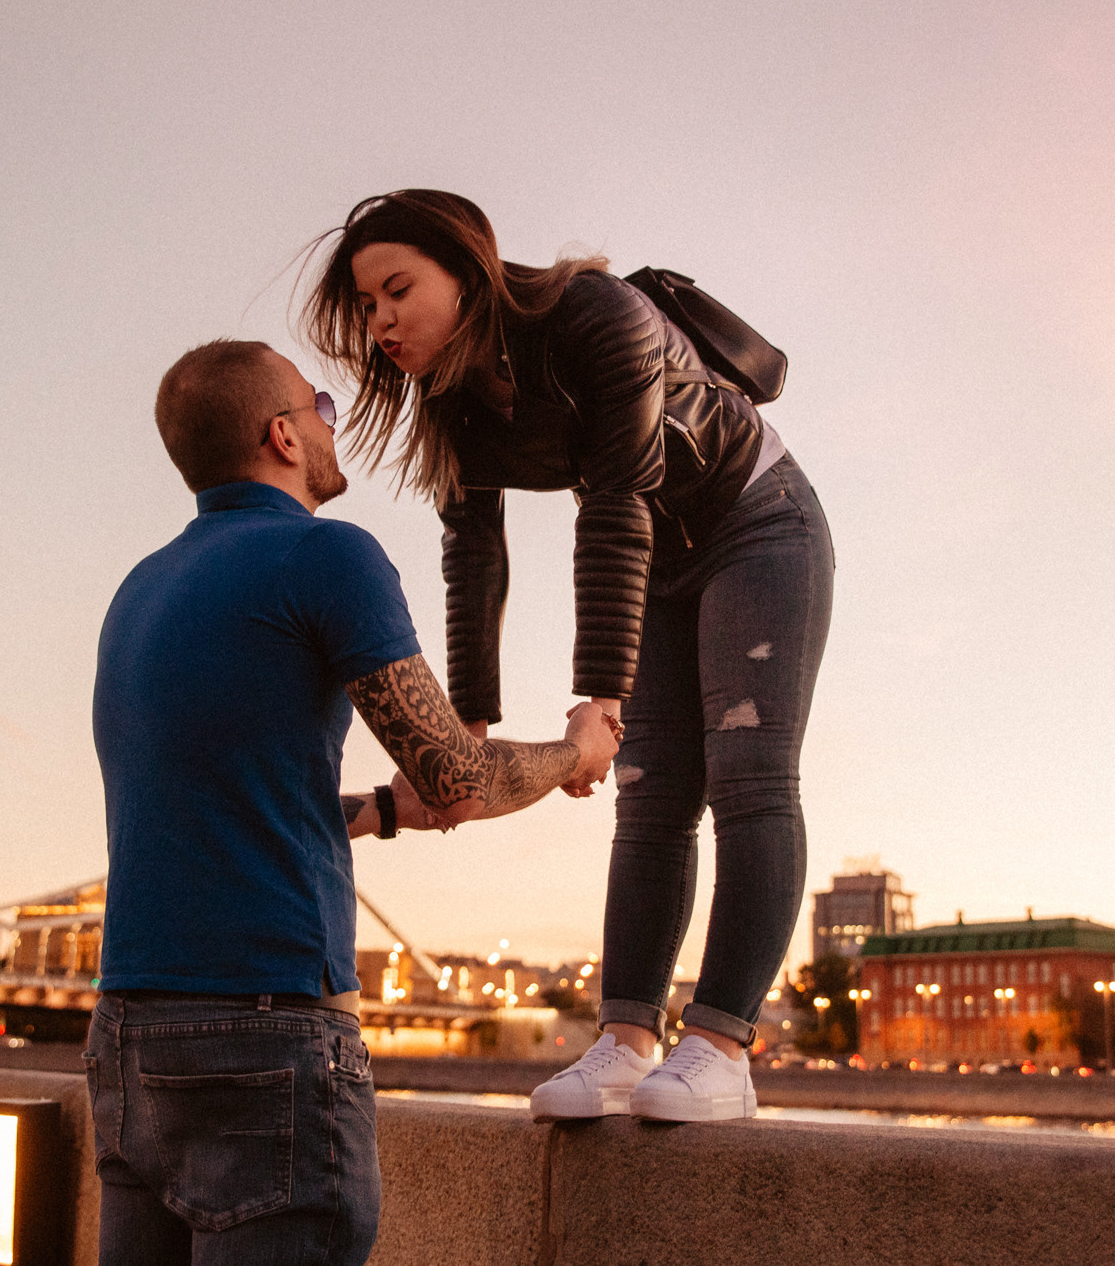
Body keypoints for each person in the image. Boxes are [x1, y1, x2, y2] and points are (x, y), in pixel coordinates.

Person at [88, 338, 619, 1264]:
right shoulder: (327, 555)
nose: (334, 426)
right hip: (268, 1032)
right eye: (320, 409)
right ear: (283, 435)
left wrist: (379, 805)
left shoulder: (139, 589)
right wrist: (577, 746)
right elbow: (459, 771)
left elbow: (222, 802)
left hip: (129, 1035)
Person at [306, 191, 834, 1123]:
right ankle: (627, 1043)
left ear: (468, 271)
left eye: (398, 290)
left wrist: (598, 695)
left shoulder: (598, 317)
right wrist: (460, 733)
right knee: (652, 791)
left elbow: (617, 505)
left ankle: (719, 1046)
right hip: (661, 560)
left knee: (748, 773)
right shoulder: (453, 402)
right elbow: (474, 554)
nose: (380, 320)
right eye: (366, 306)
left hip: (757, 522)